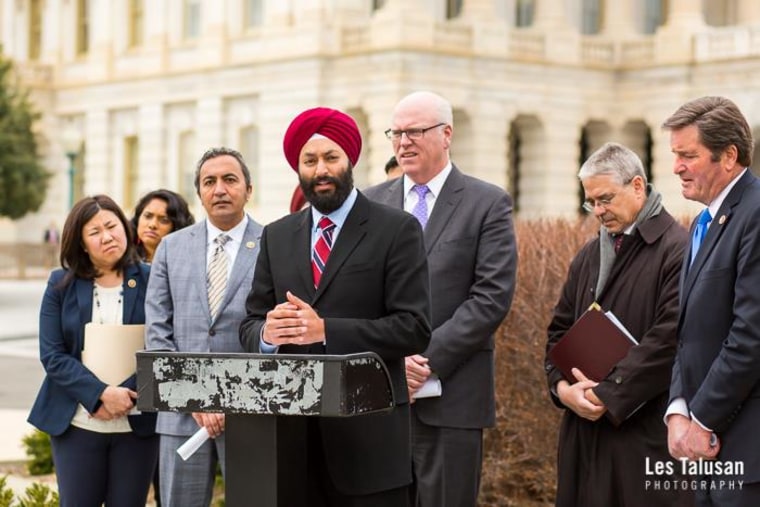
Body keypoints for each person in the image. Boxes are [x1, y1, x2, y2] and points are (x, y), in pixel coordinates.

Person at [239, 106, 431, 506]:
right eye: (310, 161)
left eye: (331, 157)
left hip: (370, 442)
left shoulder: (395, 230)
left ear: (350, 161)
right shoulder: (277, 236)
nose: (321, 169)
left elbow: (413, 327)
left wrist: (326, 330)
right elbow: (250, 323)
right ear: (298, 168)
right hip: (292, 445)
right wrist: (266, 335)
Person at [363, 90, 517, 507]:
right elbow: (357, 295)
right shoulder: (371, 203)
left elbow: (491, 297)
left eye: (415, 131)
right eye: (396, 132)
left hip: (452, 399)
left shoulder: (487, 203)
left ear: (447, 134)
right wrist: (392, 362)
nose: (403, 142)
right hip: (380, 399)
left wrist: (424, 362)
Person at [543, 142, 689, 506]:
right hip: (582, 433)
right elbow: (558, 332)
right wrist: (562, 389)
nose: (598, 211)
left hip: (643, 434)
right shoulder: (589, 254)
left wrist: (606, 393)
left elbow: (670, 338)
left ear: (637, 186)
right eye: (591, 202)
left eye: (605, 199)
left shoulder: (678, 249)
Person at [145, 147, 263, 507]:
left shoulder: (274, 244)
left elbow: (274, 334)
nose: (220, 189)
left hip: (250, 416)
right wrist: (196, 398)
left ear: (248, 188)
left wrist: (229, 399)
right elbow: (158, 334)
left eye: (230, 180)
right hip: (181, 415)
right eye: (209, 182)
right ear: (199, 192)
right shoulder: (171, 248)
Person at [28, 194, 159, 507]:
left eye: (112, 226)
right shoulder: (61, 284)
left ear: (126, 229)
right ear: (82, 243)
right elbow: (53, 354)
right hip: (77, 422)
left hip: (137, 421)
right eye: (95, 232)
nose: (107, 236)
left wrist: (123, 395)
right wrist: (99, 393)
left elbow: (164, 344)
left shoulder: (152, 278)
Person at [663, 96, 760, 506]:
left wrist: (701, 419)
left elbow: (750, 335)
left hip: (746, 449)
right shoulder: (705, 220)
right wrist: (678, 410)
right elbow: (689, 334)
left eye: (688, 155)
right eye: (675, 155)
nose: (676, 167)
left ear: (729, 156)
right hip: (706, 450)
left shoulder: (755, 213)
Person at [131, 189, 195, 263]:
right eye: (148, 216)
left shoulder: (188, 264)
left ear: (177, 227)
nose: (153, 225)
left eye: (164, 220)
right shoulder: (123, 259)